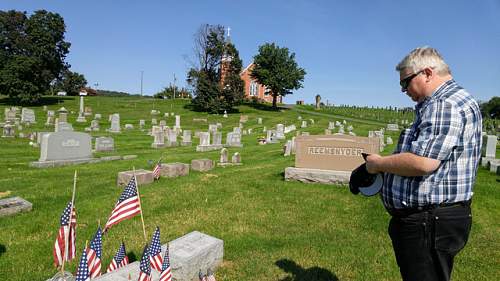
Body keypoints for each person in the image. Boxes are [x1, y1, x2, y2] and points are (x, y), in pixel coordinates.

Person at [365, 47, 482, 281]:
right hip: (433, 221)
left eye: (406, 82)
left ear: (427, 73)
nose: (403, 90)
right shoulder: (451, 100)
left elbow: (423, 162)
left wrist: (377, 164)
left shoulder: (444, 103)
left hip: (428, 223)